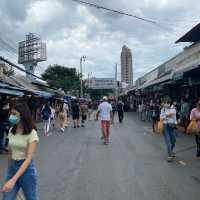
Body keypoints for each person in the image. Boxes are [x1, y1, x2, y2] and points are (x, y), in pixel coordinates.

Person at [1, 101, 39, 200]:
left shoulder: (32, 133)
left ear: (22, 116)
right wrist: (10, 171)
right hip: (13, 167)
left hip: (27, 170)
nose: (11, 116)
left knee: (31, 197)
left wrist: (13, 180)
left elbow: (29, 158)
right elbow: (10, 152)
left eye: (14, 114)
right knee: (7, 197)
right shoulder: (11, 130)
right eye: (11, 113)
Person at [160, 97, 177, 162]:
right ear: (163, 103)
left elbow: (174, 117)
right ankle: (169, 155)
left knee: (173, 141)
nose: (166, 104)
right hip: (165, 126)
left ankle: (171, 151)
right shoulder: (162, 110)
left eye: (168, 102)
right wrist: (167, 115)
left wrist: (175, 124)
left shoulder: (173, 109)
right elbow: (161, 118)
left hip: (171, 126)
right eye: (165, 103)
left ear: (170, 103)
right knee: (168, 142)